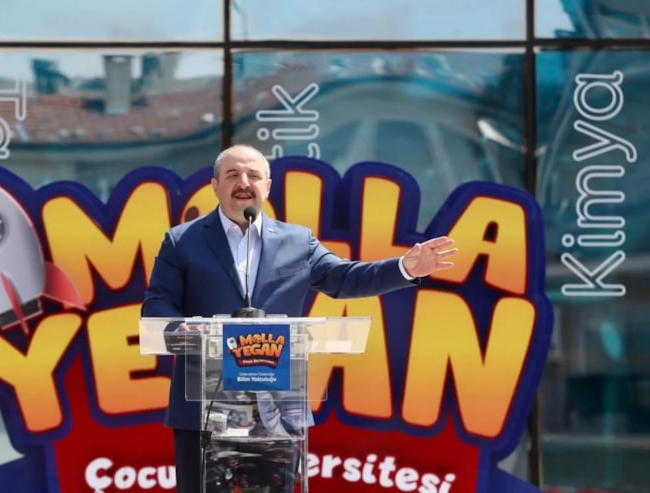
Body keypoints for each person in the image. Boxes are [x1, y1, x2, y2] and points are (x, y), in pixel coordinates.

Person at [142, 144, 457, 493]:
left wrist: (404, 268)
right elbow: (158, 303)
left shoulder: (296, 241)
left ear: (267, 187)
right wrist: (180, 329)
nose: (243, 183)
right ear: (215, 186)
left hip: (275, 411)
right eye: (232, 175)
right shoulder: (183, 241)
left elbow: (344, 278)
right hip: (205, 408)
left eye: (253, 175)